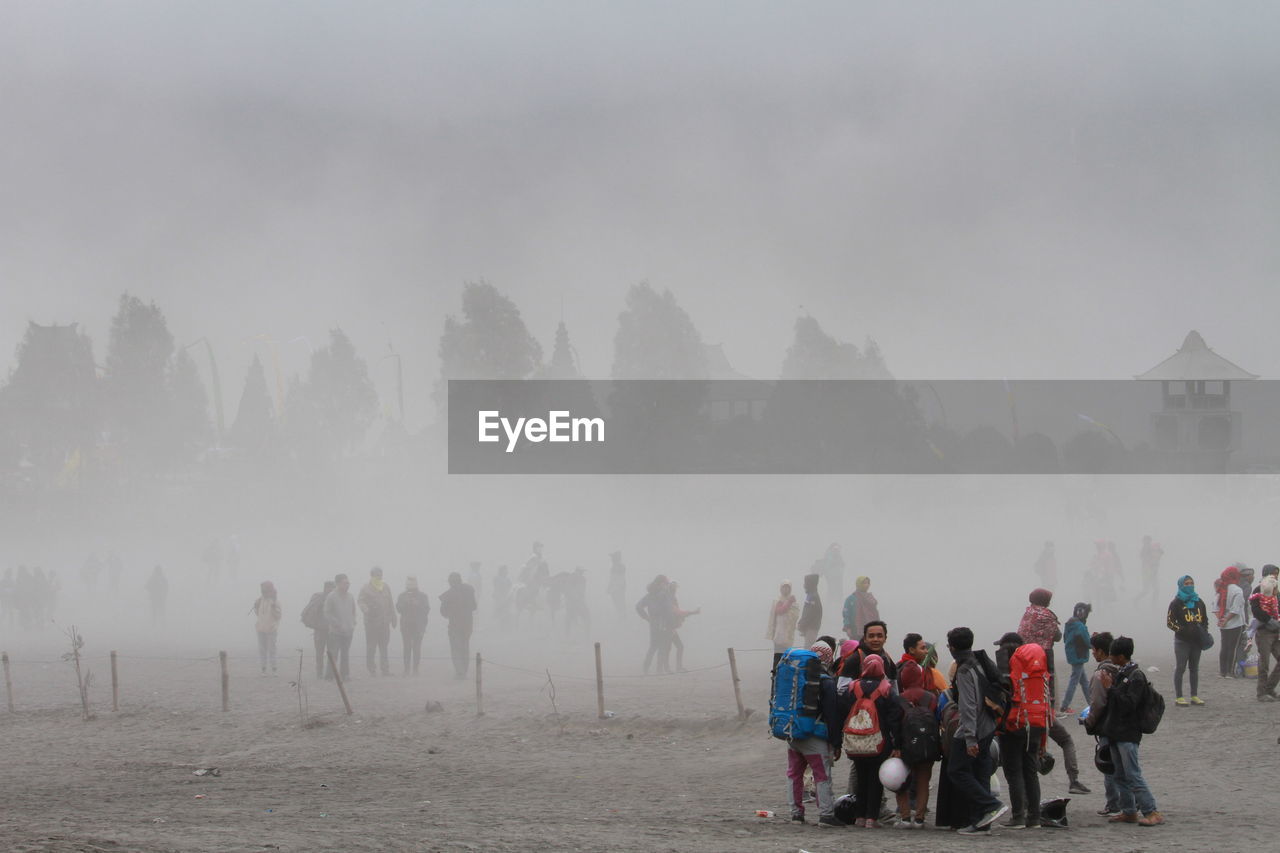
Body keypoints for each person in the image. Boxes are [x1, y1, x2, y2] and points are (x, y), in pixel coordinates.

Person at [945, 626, 1008, 834]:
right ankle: (981, 822)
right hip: (989, 726)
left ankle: (991, 805)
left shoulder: (964, 670)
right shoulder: (979, 661)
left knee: (957, 771)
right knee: (980, 772)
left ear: (952, 647)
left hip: (974, 729)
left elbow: (968, 706)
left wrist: (970, 738)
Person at [1098, 636, 1163, 826]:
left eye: (1112, 654)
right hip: (1116, 732)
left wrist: (1111, 689)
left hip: (1128, 733)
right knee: (1119, 774)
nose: (1110, 658)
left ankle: (1151, 811)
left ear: (1121, 656)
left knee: (1133, 774)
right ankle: (1129, 811)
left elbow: (1129, 704)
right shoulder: (1121, 673)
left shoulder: (1136, 676)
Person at [783, 641, 846, 826]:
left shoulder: (797, 676)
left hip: (793, 733)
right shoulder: (826, 681)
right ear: (828, 657)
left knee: (794, 774)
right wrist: (836, 742)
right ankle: (826, 814)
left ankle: (796, 814)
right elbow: (831, 714)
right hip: (815, 735)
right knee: (821, 774)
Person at [996, 637, 1050, 830]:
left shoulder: (1011, 671)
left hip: (1015, 723)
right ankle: (1034, 817)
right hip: (1036, 721)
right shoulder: (1038, 670)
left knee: (1013, 771)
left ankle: (1018, 816)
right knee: (1030, 771)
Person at [847, 654, 902, 829]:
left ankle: (859, 817)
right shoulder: (886, 689)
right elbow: (895, 719)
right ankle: (872, 818)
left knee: (861, 780)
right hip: (879, 741)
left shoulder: (853, 687)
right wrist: (897, 744)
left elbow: (844, 710)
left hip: (856, 741)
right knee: (875, 780)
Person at [894, 650, 939, 828]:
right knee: (923, 781)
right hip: (928, 746)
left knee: (901, 781)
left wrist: (896, 747)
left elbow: (895, 726)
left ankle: (905, 817)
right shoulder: (931, 698)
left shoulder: (898, 699)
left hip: (905, 747)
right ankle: (920, 818)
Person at [1083, 630, 1121, 818]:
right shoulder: (1122, 668)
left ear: (1100, 651)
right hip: (1124, 725)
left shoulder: (1102, 673)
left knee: (1108, 765)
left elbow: (1098, 703)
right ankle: (1130, 801)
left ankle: (1113, 803)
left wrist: (1089, 722)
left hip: (1108, 725)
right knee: (1125, 766)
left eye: (1093, 649)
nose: (1092, 653)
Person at [1166, 574, 1208, 706]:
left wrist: (1204, 632)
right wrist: (1183, 630)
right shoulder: (1176, 603)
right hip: (1182, 642)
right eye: (1187, 583)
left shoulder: (1199, 602)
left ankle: (1194, 695)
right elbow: (1169, 622)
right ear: (1181, 585)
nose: (1190, 585)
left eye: (1191, 583)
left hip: (1197, 642)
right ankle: (1179, 697)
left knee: (1194, 669)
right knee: (1180, 668)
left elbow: (1205, 620)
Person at [358, 566, 397, 676]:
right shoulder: (365, 588)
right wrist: (367, 610)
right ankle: (372, 669)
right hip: (371, 623)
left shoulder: (386, 587)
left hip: (385, 623)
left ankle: (385, 670)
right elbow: (360, 601)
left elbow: (391, 603)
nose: (379, 576)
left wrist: (394, 617)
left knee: (384, 647)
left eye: (380, 574)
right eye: (377, 574)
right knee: (371, 647)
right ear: (372, 575)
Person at [439, 571, 477, 679]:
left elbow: (443, 612)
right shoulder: (469, 590)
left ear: (450, 582)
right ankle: (464, 670)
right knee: (465, 647)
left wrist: (452, 612)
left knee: (456, 648)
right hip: (468, 624)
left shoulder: (448, 594)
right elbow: (474, 606)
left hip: (454, 625)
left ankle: (459, 671)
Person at [637, 575, 675, 674]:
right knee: (663, 647)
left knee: (653, 646)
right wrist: (671, 623)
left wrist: (647, 618)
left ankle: (646, 668)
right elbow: (668, 610)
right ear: (661, 583)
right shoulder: (664, 594)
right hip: (663, 623)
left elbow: (638, 606)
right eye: (665, 583)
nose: (667, 585)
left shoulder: (650, 595)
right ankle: (659, 670)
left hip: (654, 624)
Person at [1251, 575, 1280, 702]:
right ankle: (1261, 693)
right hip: (1264, 632)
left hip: (1276, 632)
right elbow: (1256, 611)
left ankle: (1269, 688)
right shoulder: (1258, 593)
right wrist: (1269, 620)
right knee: (1264, 662)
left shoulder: (1276, 596)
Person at [1059, 602, 1092, 714]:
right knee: (1074, 680)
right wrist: (1094, 645)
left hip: (1072, 654)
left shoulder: (1069, 623)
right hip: (1079, 654)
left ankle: (1092, 703)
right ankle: (1064, 705)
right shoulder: (1079, 626)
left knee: (1084, 681)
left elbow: (1065, 639)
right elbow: (1086, 641)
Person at [1215, 566, 1248, 678]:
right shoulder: (1237, 590)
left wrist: (1221, 619)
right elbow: (1236, 609)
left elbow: (1215, 607)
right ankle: (1229, 672)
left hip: (1223, 624)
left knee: (1224, 647)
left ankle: (1222, 671)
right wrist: (1227, 619)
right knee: (1232, 648)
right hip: (1235, 623)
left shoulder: (1221, 588)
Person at [323, 573, 357, 680]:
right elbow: (327, 613)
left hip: (348, 631)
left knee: (345, 654)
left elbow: (353, 611)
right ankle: (329, 676)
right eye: (345, 583)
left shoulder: (350, 596)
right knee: (333, 654)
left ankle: (345, 675)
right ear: (338, 583)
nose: (347, 585)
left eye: (348, 583)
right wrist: (336, 624)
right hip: (335, 632)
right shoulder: (331, 596)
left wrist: (353, 623)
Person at [396, 576, 430, 676]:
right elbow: (398, 609)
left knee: (417, 647)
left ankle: (415, 669)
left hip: (419, 625)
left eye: (412, 585)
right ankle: (406, 669)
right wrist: (405, 604)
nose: (410, 587)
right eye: (409, 585)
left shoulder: (423, 596)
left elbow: (427, 610)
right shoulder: (402, 596)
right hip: (406, 625)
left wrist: (418, 604)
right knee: (406, 647)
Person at [302, 581, 335, 678]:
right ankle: (319, 672)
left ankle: (330, 672)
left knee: (331, 652)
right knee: (319, 653)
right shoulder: (318, 598)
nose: (331, 590)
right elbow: (313, 611)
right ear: (325, 588)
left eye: (333, 588)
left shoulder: (335, 598)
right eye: (329, 588)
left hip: (331, 630)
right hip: (319, 630)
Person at [766, 580, 800, 671]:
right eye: (784, 587)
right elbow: (779, 611)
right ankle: (776, 671)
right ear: (781, 589)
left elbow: (796, 614)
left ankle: (785, 672)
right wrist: (788, 602)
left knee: (787, 655)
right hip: (778, 632)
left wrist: (789, 603)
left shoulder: (794, 602)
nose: (785, 589)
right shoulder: (777, 600)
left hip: (788, 633)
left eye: (787, 588)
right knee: (777, 654)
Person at [667, 581, 700, 672]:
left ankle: (672, 667)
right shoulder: (670, 599)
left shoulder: (670, 598)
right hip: (669, 627)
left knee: (673, 647)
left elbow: (678, 612)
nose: (676, 590)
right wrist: (693, 612)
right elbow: (677, 612)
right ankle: (669, 668)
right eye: (675, 588)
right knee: (673, 647)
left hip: (670, 627)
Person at [251, 581, 282, 675]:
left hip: (271, 629)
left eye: (265, 590)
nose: (264, 592)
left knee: (272, 649)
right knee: (262, 649)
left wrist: (273, 608)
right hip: (260, 628)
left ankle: (274, 669)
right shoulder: (259, 601)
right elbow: (258, 614)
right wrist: (256, 607)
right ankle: (263, 669)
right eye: (263, 590)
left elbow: (278, 616)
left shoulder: (275, 601)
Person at [842, 576, 880, 640]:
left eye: (868, 583)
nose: (867, 585)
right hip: (855, 629)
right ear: (859, 584)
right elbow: (846, 614)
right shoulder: (851, 599)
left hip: (871, 628)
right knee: (856, 647)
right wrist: (848, 627)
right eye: (864, 583)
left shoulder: (870, 598)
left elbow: (875, 614)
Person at [1136, 536, 1164, 606]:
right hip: (1147, 573)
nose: (1147, 543)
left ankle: (1154, 605)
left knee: (1156, 589)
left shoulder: (1151, 549)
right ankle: (1135, 600)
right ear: (1144, 542)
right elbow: (1146, 561)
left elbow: (1161, 552)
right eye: (1146, 541)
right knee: (1146, 590)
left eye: (1148, 541)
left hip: (1152, 572)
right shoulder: (1145, 550)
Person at [797, 573, 823, 649]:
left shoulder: (813, 596)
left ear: (810, 584)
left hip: (811, 627)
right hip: (810, 627)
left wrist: (802, 624)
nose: (804, 585)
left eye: (806, 583)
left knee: (809, 648)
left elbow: (809, 613)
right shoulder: (811, 595)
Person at [821, 543, 844, 609]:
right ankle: (831, 603)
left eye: (837, 548)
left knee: (838, 589)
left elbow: (841, 564)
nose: (837, 549)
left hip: (838, 575)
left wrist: (841, 563)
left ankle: (838, 602)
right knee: (832, 589)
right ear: (832, 548)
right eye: (835, 548)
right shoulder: (829, 554)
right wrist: (835, 563)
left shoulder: (837, 554)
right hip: (832, 576)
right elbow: (828, 565)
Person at [606, 551, 627, 619]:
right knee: (618, 604)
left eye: (613, 558)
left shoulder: (618, 567)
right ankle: (621, 617)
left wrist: (610, 587)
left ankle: (622, 617)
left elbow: (616, 579)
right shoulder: (616, 566)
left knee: (620, 604)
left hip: (617, 589)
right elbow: (613, 578)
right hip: (616, 589)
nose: (612, 559)